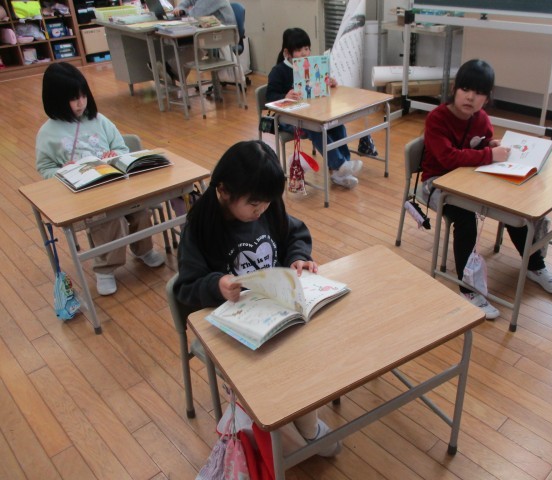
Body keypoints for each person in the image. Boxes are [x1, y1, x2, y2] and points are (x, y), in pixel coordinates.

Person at [174, 140, 341, 457]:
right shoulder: (200, 227)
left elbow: (294, 234)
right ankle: (306, 434)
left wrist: (297, 258)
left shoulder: (268, 207)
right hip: (233, 326)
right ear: (223, 190)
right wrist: (217, 284)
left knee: (312, 349)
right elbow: (186, 288)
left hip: (276, 311)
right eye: (254, 204)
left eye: (266, 203)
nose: (261, 210)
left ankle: (300, 428)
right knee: (270, 381)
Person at [420, 59, 552, 319]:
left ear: (487, 98)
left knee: (513, 209)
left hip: (469, 179)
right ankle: (468, 288)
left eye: (479, 93)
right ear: (454, 89)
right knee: (465, 219)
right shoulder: (437, 118)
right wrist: (489, 154)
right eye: (465, 89)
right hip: (436, 183)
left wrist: (491, 145)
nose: (470, 97)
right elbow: (447, 158)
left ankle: (535, 266)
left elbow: (482, 144)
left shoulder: (481, 119)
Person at [35, 62, 165, 296]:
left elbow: (121, 148)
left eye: (83, 96)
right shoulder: (48, 133)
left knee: (140, 211)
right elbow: (44, 168)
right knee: (108, 222)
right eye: (73, 98)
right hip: (84, 197)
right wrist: (61, 171)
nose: (80, 103)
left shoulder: (99, 120)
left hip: (115, 185)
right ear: (55, 99)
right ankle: (105, 269)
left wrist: (114, 154)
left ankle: (144, 249)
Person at [266, 27, 363, 189]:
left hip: (310, 113)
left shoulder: (311, 67)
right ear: (287, 53)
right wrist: (285, 95)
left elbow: (316, 90)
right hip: (287, 120)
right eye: (298, 50)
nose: (304, 53)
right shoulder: (278, 71)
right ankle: (340, 165)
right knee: (316, 128)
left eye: (306, 48)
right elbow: (269, 97)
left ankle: (340, 170)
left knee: (336, 124)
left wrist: (328, 83)